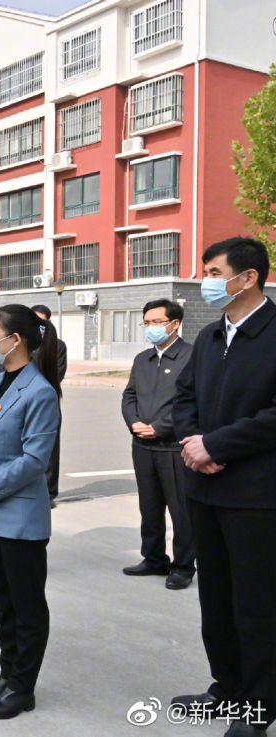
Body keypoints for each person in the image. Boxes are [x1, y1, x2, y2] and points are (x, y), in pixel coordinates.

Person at [171, 237, 276, 737]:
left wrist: (216, 445)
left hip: (256, 496)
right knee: (215, 600)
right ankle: (227, 688)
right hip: (205, 489)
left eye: (214, 272)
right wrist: (195, 443)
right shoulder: (211, 335)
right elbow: (184, 396)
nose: (205, 281)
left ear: (248, 277)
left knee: (256, 604)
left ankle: (258, 706)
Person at [0, 304, 61, 719]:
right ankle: (8, 673)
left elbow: (34, 460)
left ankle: (24, 686)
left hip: (19, 516)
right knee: (2, 599)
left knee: (26, 605)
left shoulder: (40, 391)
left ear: (14, 339)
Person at [120, 299, 195, 589]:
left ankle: (183, 566)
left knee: (181, 511)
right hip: (142, 446)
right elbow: (129, 395)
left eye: (157, 322)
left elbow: (192, 401)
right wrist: (133, 422)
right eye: (147, 322)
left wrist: (160, 427)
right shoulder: (143, 359)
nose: (150, 327)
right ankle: (153, 558)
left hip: (174, 446)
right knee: (149, 507)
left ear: (175, 324)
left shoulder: (191, 356)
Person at [30, 305, 67, 505]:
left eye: (41, 322)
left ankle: (49, 492)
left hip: (47, 402)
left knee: (50, 449)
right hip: (24, 402)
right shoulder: (23, 343)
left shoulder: (57, 346)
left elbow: (57, 375)